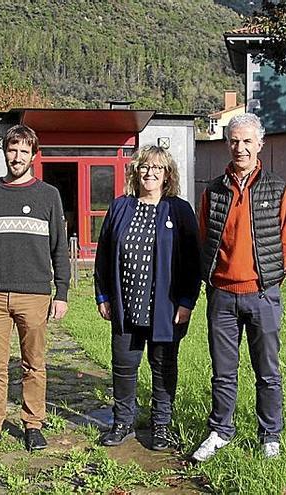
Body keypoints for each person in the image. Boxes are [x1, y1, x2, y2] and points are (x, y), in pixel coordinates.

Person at [192, 113, 286, 461]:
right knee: (223, 372)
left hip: (262, 295)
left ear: (260, 144)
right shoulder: (213, 190)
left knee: (267, 371)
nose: (240, 148)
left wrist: (268, 279)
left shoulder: (277, 188)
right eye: (234, 141)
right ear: (227, 144)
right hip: (222, 295)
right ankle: (220, 430)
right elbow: (203, 237)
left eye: (247, 141)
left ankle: (270, 435)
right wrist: (213, 278)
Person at [0, 124, 70, 454]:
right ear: (5, 152)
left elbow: (59, 248)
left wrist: (61, 292)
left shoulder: (49, 195)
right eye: (12, 150)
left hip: (35, 295)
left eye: (24, 151)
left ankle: (32, 425)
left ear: (33, 156)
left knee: (33, 365)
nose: (17, 157)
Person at [93, 145, 201, 451]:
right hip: (127, 305)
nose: (150, 173)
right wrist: (103, 295)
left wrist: (187, 301)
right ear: (135, 172)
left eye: (157, 168)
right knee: (124, 366)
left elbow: (193, 262)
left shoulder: (179, 210)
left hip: (165, 307)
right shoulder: (120, 207)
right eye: (144, 167)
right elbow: (104, 256)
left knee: (164, 366)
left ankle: (161, 425)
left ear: (168, 175)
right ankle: (123, 421)